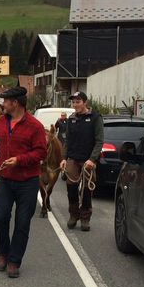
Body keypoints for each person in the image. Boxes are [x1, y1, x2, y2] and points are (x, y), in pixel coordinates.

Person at [0, 86, 47, 278]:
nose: (2, 104)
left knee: (22, 223)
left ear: (15, 103)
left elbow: (41, 152)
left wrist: (20, 160)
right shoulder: (1, 122)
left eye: (5, 101)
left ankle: (14, 260)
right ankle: (3, 253)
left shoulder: (35, 126)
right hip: (5, 179)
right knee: (0, 218)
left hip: (27, 182)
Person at [59, 91, 104, 232]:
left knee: (86, 191)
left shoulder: (95, 117)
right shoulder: (71, 119)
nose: (75, 104)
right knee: (71, 189)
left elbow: (99, 141)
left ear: (85, 102)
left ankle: (85, 217)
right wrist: (63, 159)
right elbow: (68, 141)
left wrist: (92, 159)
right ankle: (73, 215)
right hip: (72, 158)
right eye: (73, 102)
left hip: (87, 161)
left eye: (78, 101)